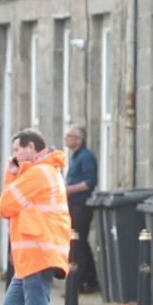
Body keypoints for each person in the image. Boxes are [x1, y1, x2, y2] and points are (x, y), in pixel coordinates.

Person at [0, 130, 72, 305]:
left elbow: (4, 206)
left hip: (39, 253)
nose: (15, 154)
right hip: (32, 255)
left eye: (17, 149)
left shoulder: (38, 174)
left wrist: (11, 174)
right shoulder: (38, 172)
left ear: (31, 147)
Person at [63, 125, 99, 295]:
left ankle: (81, 281)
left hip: (81, 205)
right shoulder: (75, 157)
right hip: (72, 204)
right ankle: (89, 279)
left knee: (78, 242)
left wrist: (69, 189)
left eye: (69, 136)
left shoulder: (86, 157)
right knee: (79, 243)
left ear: (79, 139)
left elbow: (90, 182)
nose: (66, 138)